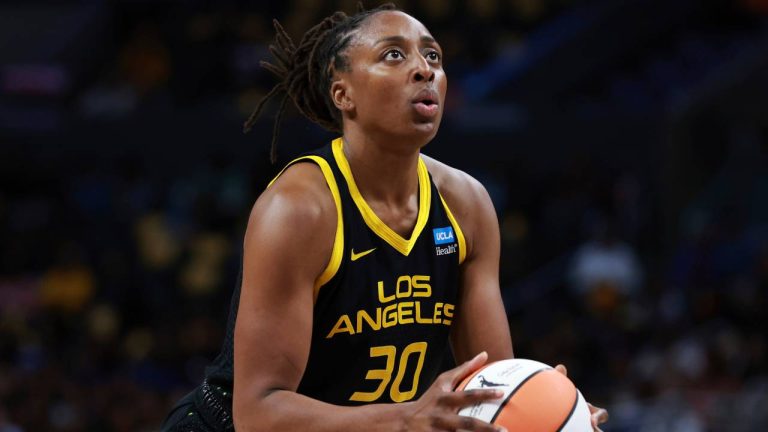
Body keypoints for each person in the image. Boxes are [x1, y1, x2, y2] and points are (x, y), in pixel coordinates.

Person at [162, 3, 609, 431]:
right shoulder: (300, 209)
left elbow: (487, 387)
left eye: (433, 55)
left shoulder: (466, 205)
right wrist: (403, 419)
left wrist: (548, 407)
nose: (424, 69)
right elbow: (258, 415)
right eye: (393, 54)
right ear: (343, 93)